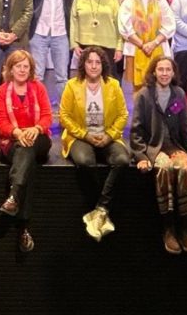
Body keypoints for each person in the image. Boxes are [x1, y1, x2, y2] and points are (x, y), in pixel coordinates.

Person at [130, 56, 187, 255]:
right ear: (154, 72)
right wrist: (141, 156)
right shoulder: (144, 95)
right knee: (164, 168)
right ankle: (168, 228)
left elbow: (186, 129)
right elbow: (136, 131)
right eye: (160, 69)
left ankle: (185, 229)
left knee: (186, 168)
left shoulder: (178, 94)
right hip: (154, 148)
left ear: (173, 73)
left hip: (175, 146)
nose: (164, 73)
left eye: (167, 70)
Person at [59, 46, 130, 241]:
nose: (93, 66)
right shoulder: (72, 85)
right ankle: (102, 207)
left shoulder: (113, 85)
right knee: (85, 162)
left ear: (103, 65)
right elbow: (64, 116)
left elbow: (123, 114)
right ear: (83, 64)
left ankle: (100, 208)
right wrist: (85, 135)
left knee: (123, 160)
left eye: (97, 62)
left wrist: (109, 135)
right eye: (89, 62)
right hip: (81, 137)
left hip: (107, 135)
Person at [0, 49, 52, 253]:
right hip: (13, 142)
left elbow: (47, 116)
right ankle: (24, 227)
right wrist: (17, 132)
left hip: (39, 139)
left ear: (31, 69)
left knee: (28, 149)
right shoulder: (2, 91)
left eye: (25, 66)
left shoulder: (38, 87)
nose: (22, 70)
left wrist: (35, 129)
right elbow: (1, 123)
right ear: (10, 69)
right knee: (27, 158)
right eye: (17, 66)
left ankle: (14, 196)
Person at [29, 0, 77, 105]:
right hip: (38, 31)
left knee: (62, 76)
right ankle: (37, 107)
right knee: (37, 75)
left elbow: (69, 0)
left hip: (61, 31)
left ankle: (65, 110)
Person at [119, 0, 176, 93]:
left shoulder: (161, 1)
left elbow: (170, 25)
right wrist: (142, 44)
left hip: (159, 49)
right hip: (134, 50)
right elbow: (124, 28)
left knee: (161, 89)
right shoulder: (128, 2)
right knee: (138, 91)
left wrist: (153, 43)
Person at [69, 0, 123, 72]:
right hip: (85, 46)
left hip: (108, 47)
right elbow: (73, 22)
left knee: (109, 81)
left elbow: (119, 25)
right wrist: (74, 44)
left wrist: (119, 47)